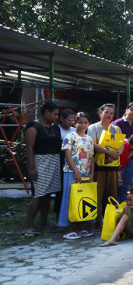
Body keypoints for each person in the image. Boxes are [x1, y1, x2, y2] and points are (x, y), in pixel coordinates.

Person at [24, 101, 63, 234]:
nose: (57, 117)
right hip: (40, 161)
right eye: (55, 114)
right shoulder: (33, 127)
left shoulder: (55, 127)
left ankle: (43, 223)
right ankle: (29, 225)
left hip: (55, 161)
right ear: (46, 112)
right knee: (39, 194)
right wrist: (32, 168)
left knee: (48, 194)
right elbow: (29, 148)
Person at [58, 112, 95, 240]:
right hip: (71, 172)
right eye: (80, 122)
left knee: (83, 199)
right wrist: (76, 171)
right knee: (70, 199)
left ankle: (82, 226)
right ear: (75, 123)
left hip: (86, 173)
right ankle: (69, 227)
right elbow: (68, 155)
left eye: (85, 122)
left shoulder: (89, 138)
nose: (82, 125)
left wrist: (91, 173)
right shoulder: (70, 136)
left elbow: (92, 157)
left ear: (89, 124)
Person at [87, 103, 123, 228]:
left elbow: (122, 144)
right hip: (98, 166)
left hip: (113, 167)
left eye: (111, 113)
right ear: (100, 112)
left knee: (111, 195)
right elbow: (93, 144)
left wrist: (118, 152)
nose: (109, 115)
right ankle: (95, 222)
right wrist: (108, 152)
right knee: (97, 195)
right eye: (106, 112)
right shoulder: (93, 128)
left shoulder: (116, 128)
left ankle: (110, 220)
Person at [55, 109, 76, 217]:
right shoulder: (56, 129)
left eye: (73, 120)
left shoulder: (74, 130)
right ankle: (58, 215)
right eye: (69, 120)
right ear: (62, 119)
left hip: (74, 162)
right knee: (61, 188)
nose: (71, 122)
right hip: (60, 161)